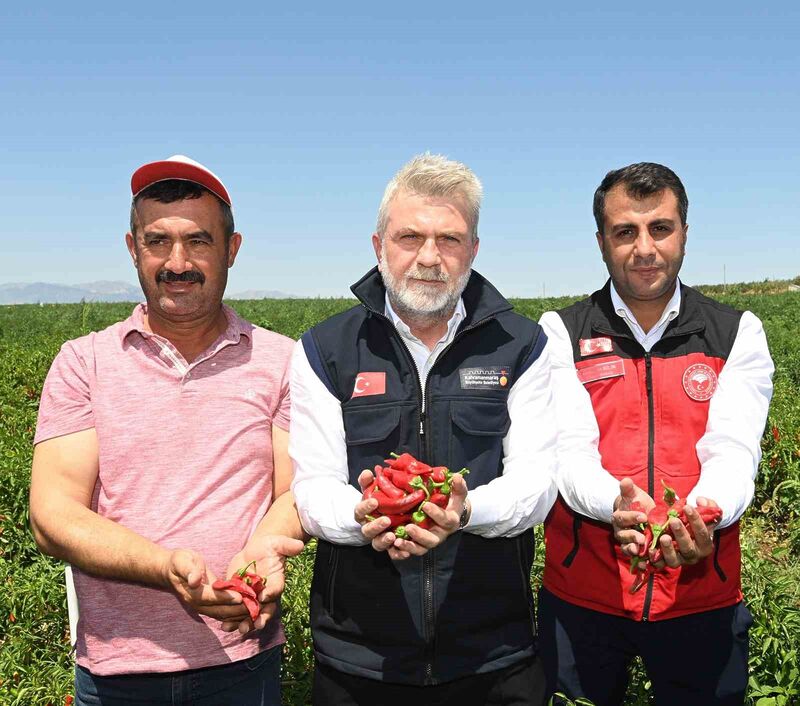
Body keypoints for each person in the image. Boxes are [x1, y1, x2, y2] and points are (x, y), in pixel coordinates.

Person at [29, 155, 305, 706]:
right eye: (158, 242)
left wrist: (262, 548)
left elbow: (295, 491)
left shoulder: (283, 361)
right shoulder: (84, 361)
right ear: (133, 249)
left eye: (199, 241)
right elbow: (52, 514)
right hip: (117, 672)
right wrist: (165, 568)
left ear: (232, 248)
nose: (177, 262)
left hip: (242, 661)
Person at [290, 153, 558, 705]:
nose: (429, 258)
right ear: (378, 244)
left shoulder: (522, 346)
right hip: (361, 658)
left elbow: (537, 485)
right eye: (410, 236)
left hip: (492, 655)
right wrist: (364, 516)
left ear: (474, 249)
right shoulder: (325, 349)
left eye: (450, 239)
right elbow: (312, 488)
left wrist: (464, 512)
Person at [538, 162, 774, 706]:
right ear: (601, 241)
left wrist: (699, 515)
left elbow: (734, 450)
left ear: (684, 234)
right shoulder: (561, 331)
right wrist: (614, 507)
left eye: (660, 228)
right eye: (626, 232)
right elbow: (568, 452)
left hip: (702, 595)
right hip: (583, 597)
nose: (645, 248)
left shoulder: (736, 331)